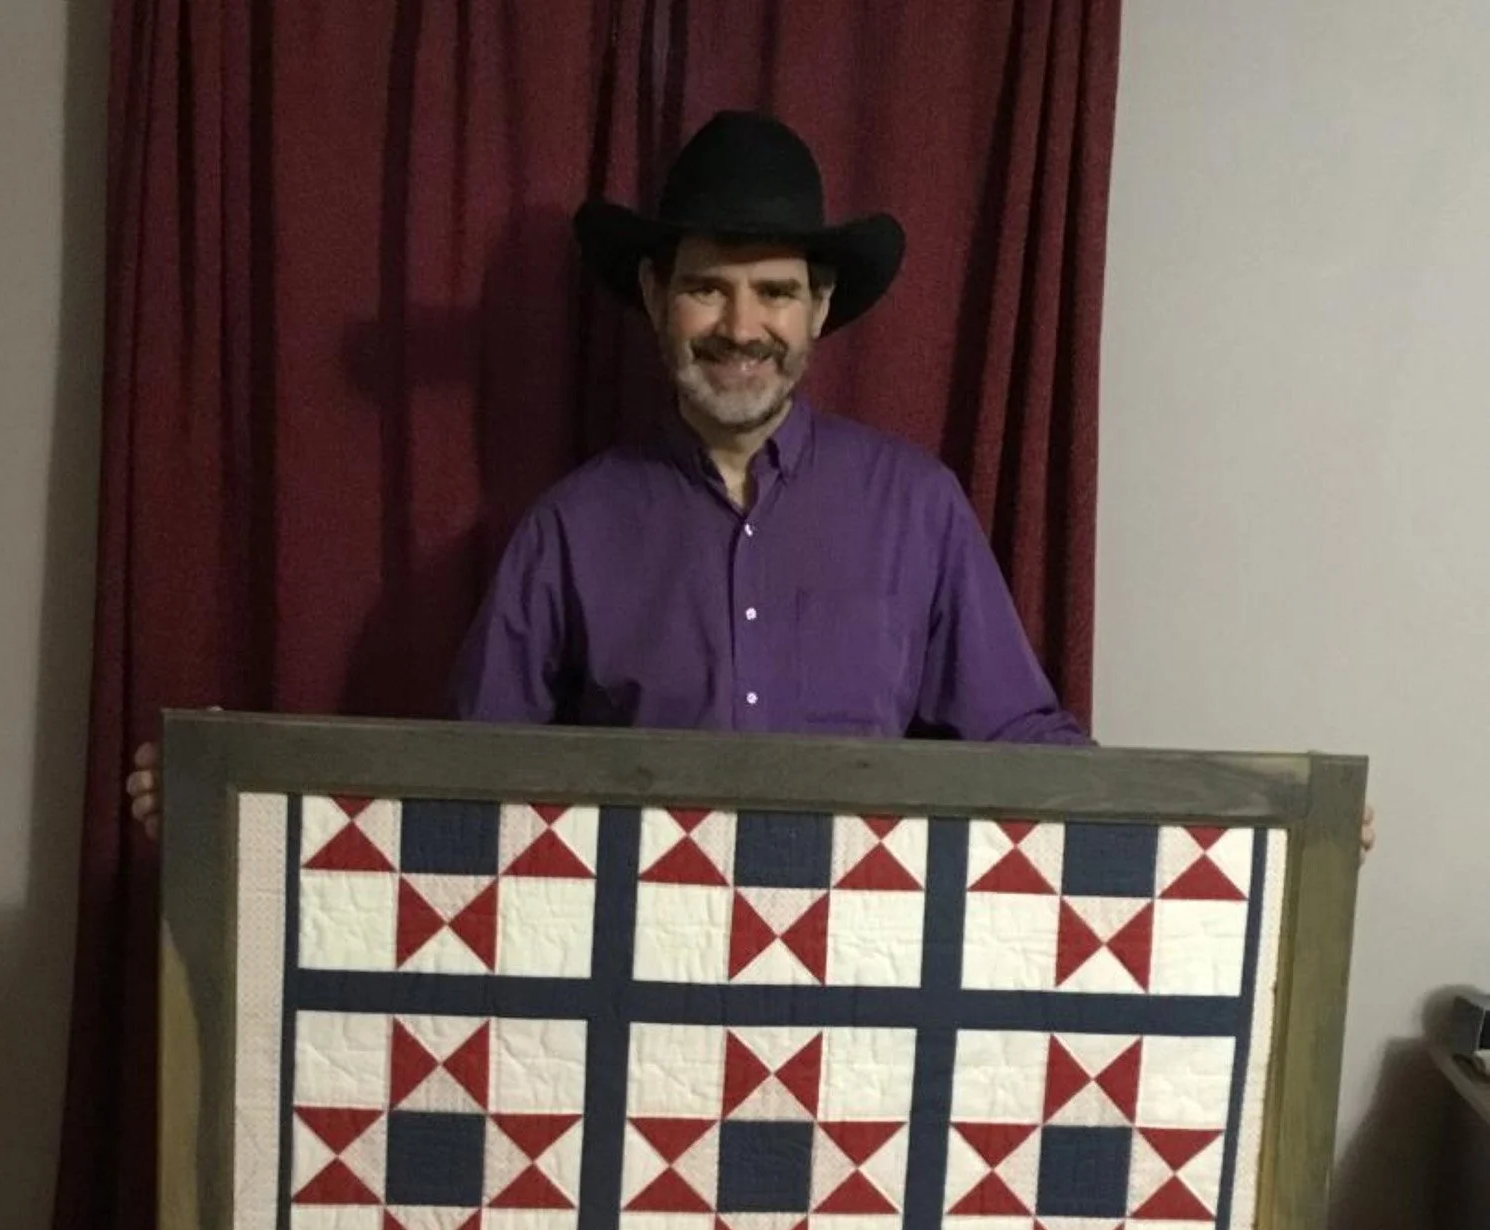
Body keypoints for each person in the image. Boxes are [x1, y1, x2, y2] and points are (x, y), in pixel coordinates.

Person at [128, 111, 1376, 854]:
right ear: (653, 299)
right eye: (709, 285)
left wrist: (1270, 831)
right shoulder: (570, 530)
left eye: (775, 289)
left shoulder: (918, 508)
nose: (741, 323)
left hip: (871, 1008)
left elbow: (1031, 752)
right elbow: (465, 791)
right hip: (627, 1001)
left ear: (819, 310)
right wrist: (237, 804)